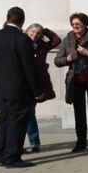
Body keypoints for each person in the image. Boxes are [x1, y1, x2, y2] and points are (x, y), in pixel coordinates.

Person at [0, 7, 43, 168]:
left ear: (7, 18)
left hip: (0, 87)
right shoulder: (23, 40)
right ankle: (12, 157)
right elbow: (29, 68)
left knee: (2, 120)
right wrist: (37, 90)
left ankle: (0, 152)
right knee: (17, 122)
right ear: (22, 21)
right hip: (19, 89)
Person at [55, 12, 88, 153]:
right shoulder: (68, 39)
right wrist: (68, 59)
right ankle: (81, 143)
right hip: (75, 81)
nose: (75, 26)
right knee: (79, 113)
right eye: (73, 24)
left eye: (78, 23)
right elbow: (57, 60)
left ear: (85, 24)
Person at [24, 23, 61, 152]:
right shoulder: (21, 43)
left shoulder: (42, 46)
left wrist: (45, 30)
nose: (35, 34)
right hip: (23, 83)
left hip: (37, 83)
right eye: (33, 31)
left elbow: (57, 40)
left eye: (38, 33)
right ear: (27, 31)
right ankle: (17, 144)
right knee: (22, 115)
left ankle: (34, 143)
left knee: (30, 113)